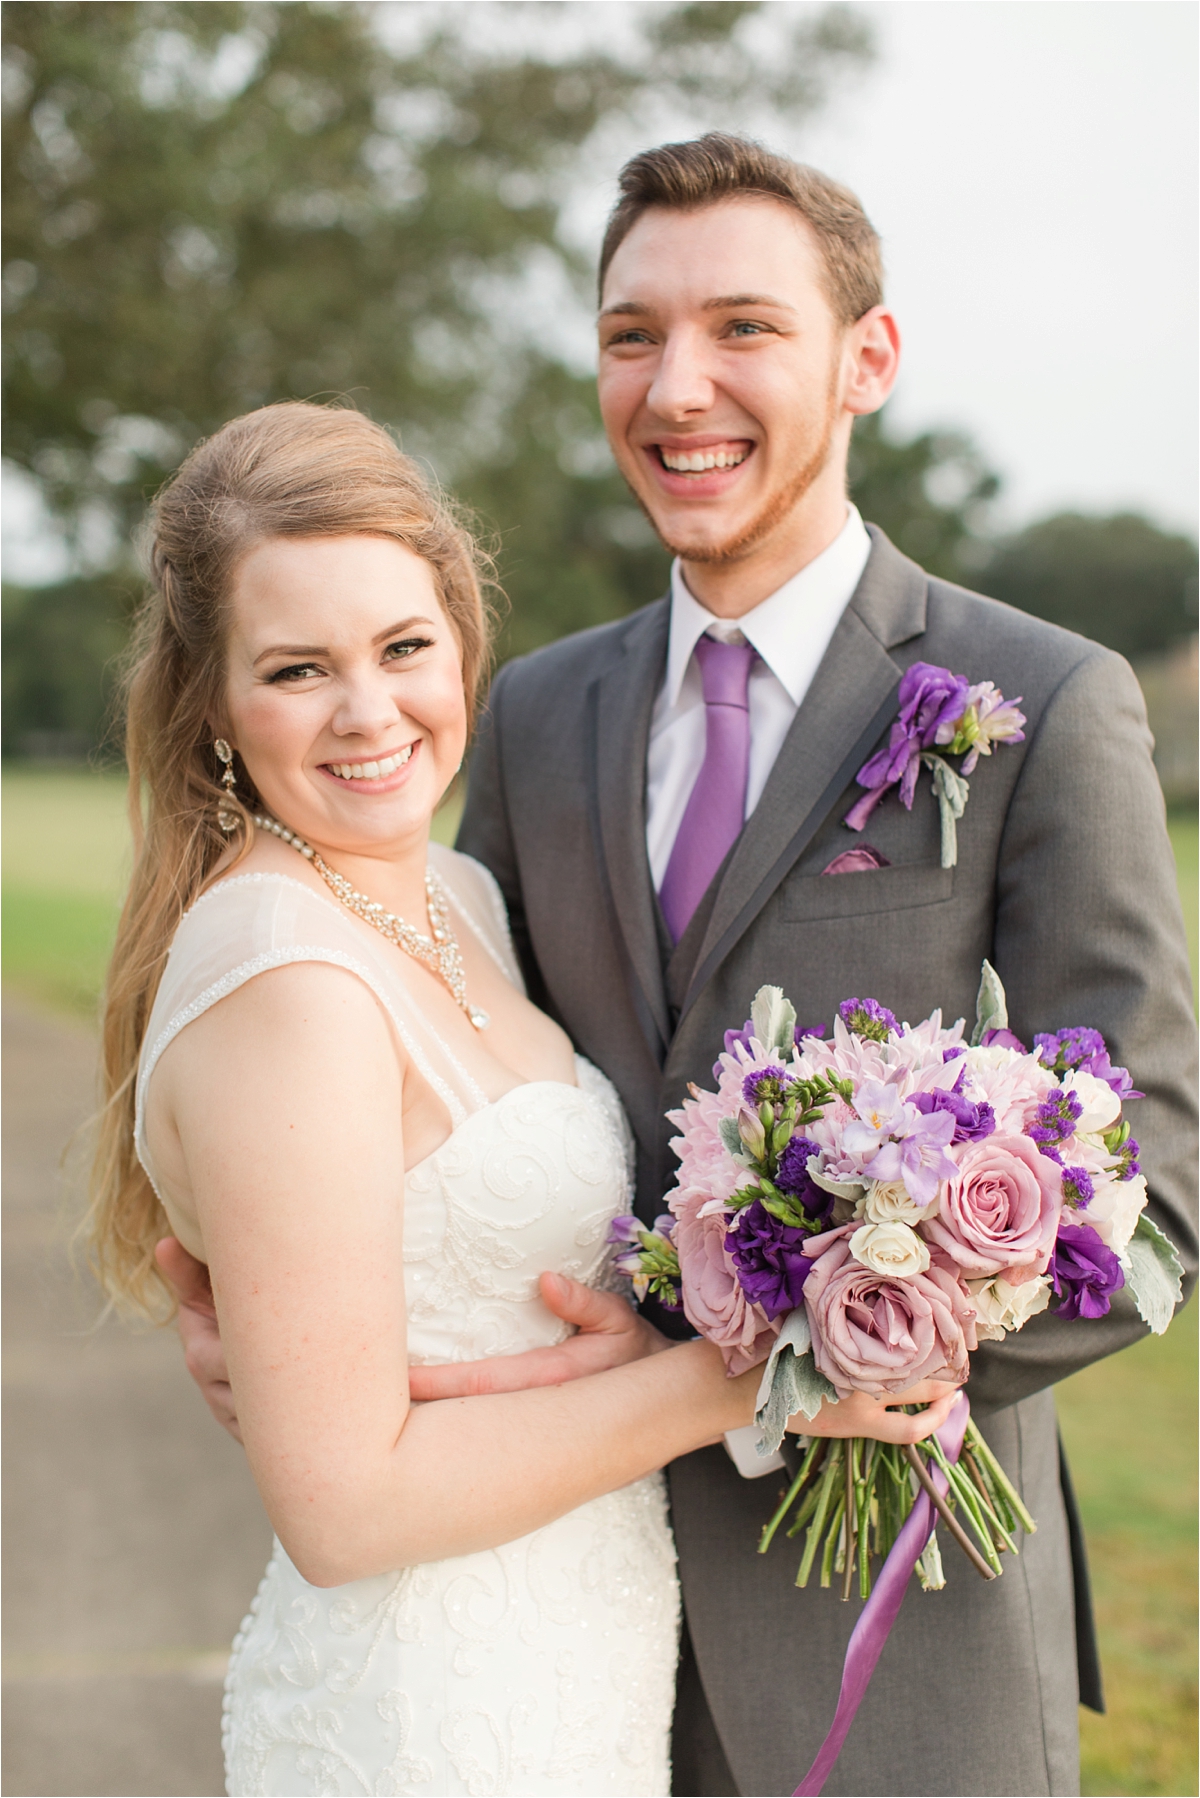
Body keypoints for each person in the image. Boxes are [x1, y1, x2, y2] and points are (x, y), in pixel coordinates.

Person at [166, 137, 1198, 1796]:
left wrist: (829, 1351)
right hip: (563, 1608)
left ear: (868, 359)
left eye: (742, 327)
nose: (677, 384)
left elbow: (1151, 1191)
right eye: (631, 334)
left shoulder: (1038, 705)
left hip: (895, 1623)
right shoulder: (527, 714)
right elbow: (434, 1067)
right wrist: (277, 1320)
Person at [93, 399, 960, 1798]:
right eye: (298, 669)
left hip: (577, 1655)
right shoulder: (282, 976)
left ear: (461, 634)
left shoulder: (458, 893)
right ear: (210, 705)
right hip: (421, 1709)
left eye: (403, 647)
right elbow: (347, 1502)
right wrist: (753, 1378)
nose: (370, 713)